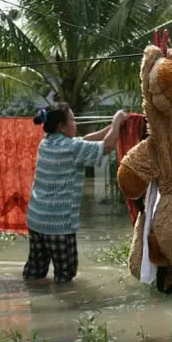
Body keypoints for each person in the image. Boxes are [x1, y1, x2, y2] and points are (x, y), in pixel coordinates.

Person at [23, 102, 128, 283]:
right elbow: (107, 146)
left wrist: (114, 124)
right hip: (58, 224)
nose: (75, 123)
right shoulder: (72, 148)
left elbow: (85, 139)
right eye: (72, 120)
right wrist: (117, 121)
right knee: (65, 276)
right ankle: (63, 300)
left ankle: (31, 295)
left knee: (35, 272)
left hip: (37, 220)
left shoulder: (46, 142)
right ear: (61, 126)